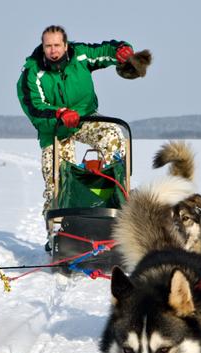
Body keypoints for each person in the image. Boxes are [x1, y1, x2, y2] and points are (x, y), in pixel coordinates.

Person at [16, 25, 151, 245]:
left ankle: (115, 203)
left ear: (65, 45)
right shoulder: (32, 72)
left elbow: (102, 52)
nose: (53, 50)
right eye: (48, 46)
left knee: (113, 135)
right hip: (55, 128)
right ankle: (57, 233)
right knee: (57, 179)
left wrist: (121, 51)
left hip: (85, 117)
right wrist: (59, 114)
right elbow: (34, 108)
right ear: (43, 47)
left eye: (57, 45)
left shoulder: (79, 55)